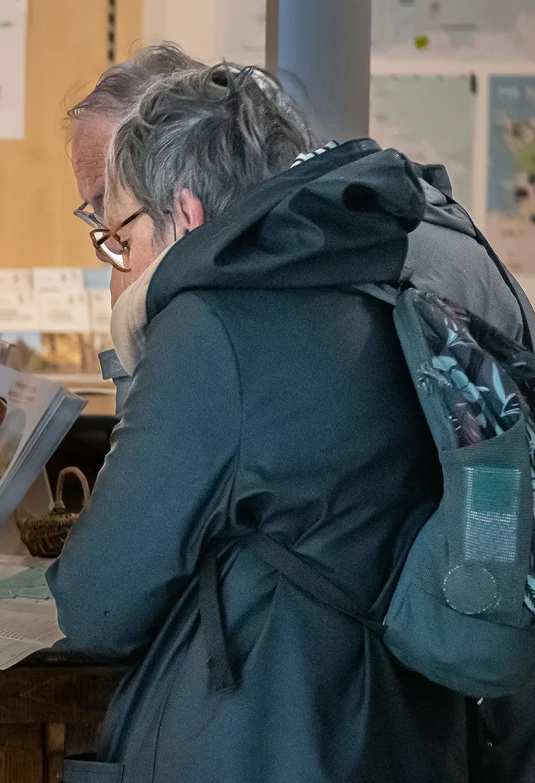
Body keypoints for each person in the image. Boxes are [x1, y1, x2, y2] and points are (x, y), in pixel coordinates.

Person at [66, 46, 535, 782]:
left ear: (184, 198)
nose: (115, 264)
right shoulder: (348, 243)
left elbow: (108, 593)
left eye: (117, 229)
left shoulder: (325, 282)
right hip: (460, 646)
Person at [47, 64, 468, 781]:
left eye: (119, 238)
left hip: (272, 736)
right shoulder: (368, 282)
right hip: (393, 725)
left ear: (185, 215)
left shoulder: (215, 326)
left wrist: (137, 348)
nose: (118, 268)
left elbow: (98, 606)